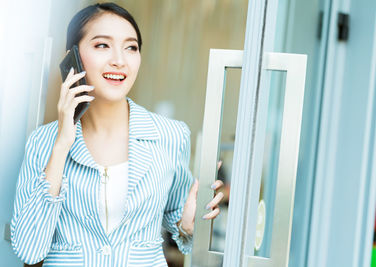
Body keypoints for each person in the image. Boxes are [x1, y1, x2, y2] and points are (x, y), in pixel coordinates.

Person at [10, 3, 224, 266]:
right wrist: (62, 143)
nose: (119, 60)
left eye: (131, 47)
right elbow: (29, 250)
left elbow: (179, 224)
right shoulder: (43, 142)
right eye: (102, 45)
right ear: (72, 58)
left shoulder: (170, 135)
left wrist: (188, 225)